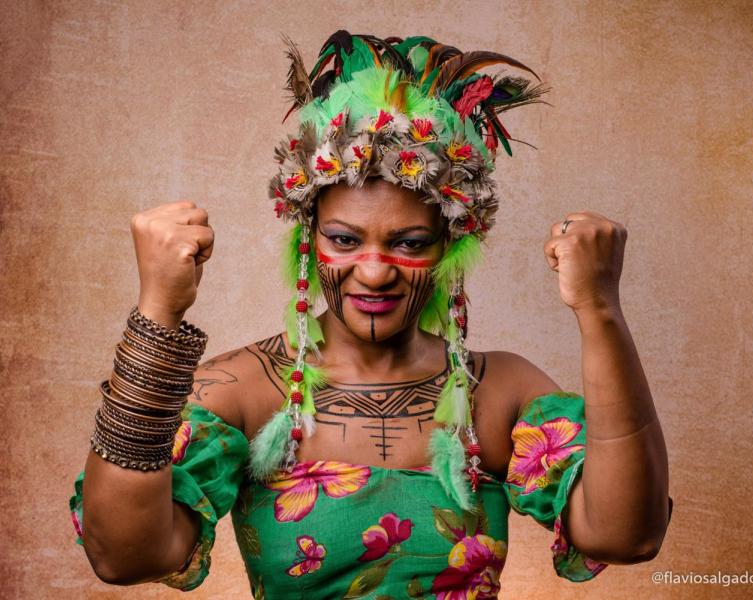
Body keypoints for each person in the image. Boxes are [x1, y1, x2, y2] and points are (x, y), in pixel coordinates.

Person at [68, 31, 673, 598]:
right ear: (307, 238)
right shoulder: (246, 392)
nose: (375, 271)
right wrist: (157, 315)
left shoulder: (500, 391)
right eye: (345, 239)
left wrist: (599, 309)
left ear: (450, 246)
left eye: (410, 242)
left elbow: (625, 535)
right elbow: (125, 556)